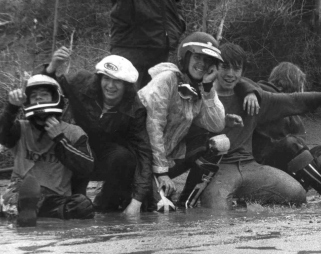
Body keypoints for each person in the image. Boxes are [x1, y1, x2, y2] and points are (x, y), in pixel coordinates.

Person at [196, 43, 321, 210]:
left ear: (242, 72)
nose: (230, 74)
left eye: (236, 69)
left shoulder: (255, 98)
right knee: (215, 210)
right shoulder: (204, 95)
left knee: (297, 194)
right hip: (220, 168)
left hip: (250, 165)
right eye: (225, 67)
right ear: (215, 68)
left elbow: (292, 100)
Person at [41, 47, 153, 216]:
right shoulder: (82, 82)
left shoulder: (135, 109)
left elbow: (144, 153)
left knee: (124, 158)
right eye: (106, 79)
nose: (110, 85)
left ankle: (106, 204)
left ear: (126, 86)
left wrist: (136, 202)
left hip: (108, 158)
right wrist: (51, 67)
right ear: (99, 78)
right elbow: (44, 88)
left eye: (117, 81)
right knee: (75, 207)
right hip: (77, 150)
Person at [251, 61, 321, 202]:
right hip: (264, 163)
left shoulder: (293, 114)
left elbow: (301, 145)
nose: (301, 90)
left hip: (288, 163)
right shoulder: (263, 95)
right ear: (291, 83)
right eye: (300, 86)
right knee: (291, 144)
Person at [137, 32, 226, 203]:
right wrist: (161, 173)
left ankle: (186, 202)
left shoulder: (199, 89)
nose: (202, 64)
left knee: (219, 143)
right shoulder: (166, 79)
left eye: (208, 61)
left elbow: (216, 124)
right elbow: (153, 127)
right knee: (158, 210)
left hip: (167, 158)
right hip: (142, 158)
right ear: (186, 57)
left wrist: (207, 88)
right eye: (198, 57)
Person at [0, 75, 95, 226]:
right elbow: (3, 136)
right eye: (33, 96)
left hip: (55, 198)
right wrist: (12, 107)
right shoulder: (20, 128)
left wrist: (60, 140)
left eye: (44, 94)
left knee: (82, 206)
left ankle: (24, 212)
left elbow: (87, 167)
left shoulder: (73, 132)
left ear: (55, 97)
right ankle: (22, 209)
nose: (38, 98)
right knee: (22, 198)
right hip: (21, 192)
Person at [100, 0, 186, 89]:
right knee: (123, 101)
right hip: (130, 42)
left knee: (154, 103)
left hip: (161, 43)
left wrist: (178, 21)